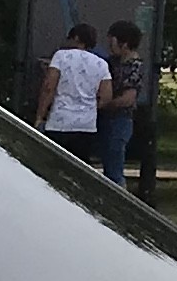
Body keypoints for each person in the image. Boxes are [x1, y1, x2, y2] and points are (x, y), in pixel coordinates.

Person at [34, 23, 107, 161]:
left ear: (76, 38)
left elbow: (49, 88)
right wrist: (90, 108)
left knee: (54, 163)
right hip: (86, 125)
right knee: (79, 164)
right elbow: (105, 97)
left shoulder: (61, 56)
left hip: (60, 121)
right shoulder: (101, 64)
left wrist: (40, 116)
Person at [95, 20, 149, 187]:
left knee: (114, 165)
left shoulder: (134, 67)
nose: (110, 47)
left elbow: (128, 99)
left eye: (112, 42)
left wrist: (103, 104)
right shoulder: (112, 62)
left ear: (124, 43)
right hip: (106, 119)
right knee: (107, 161)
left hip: (120, 120)